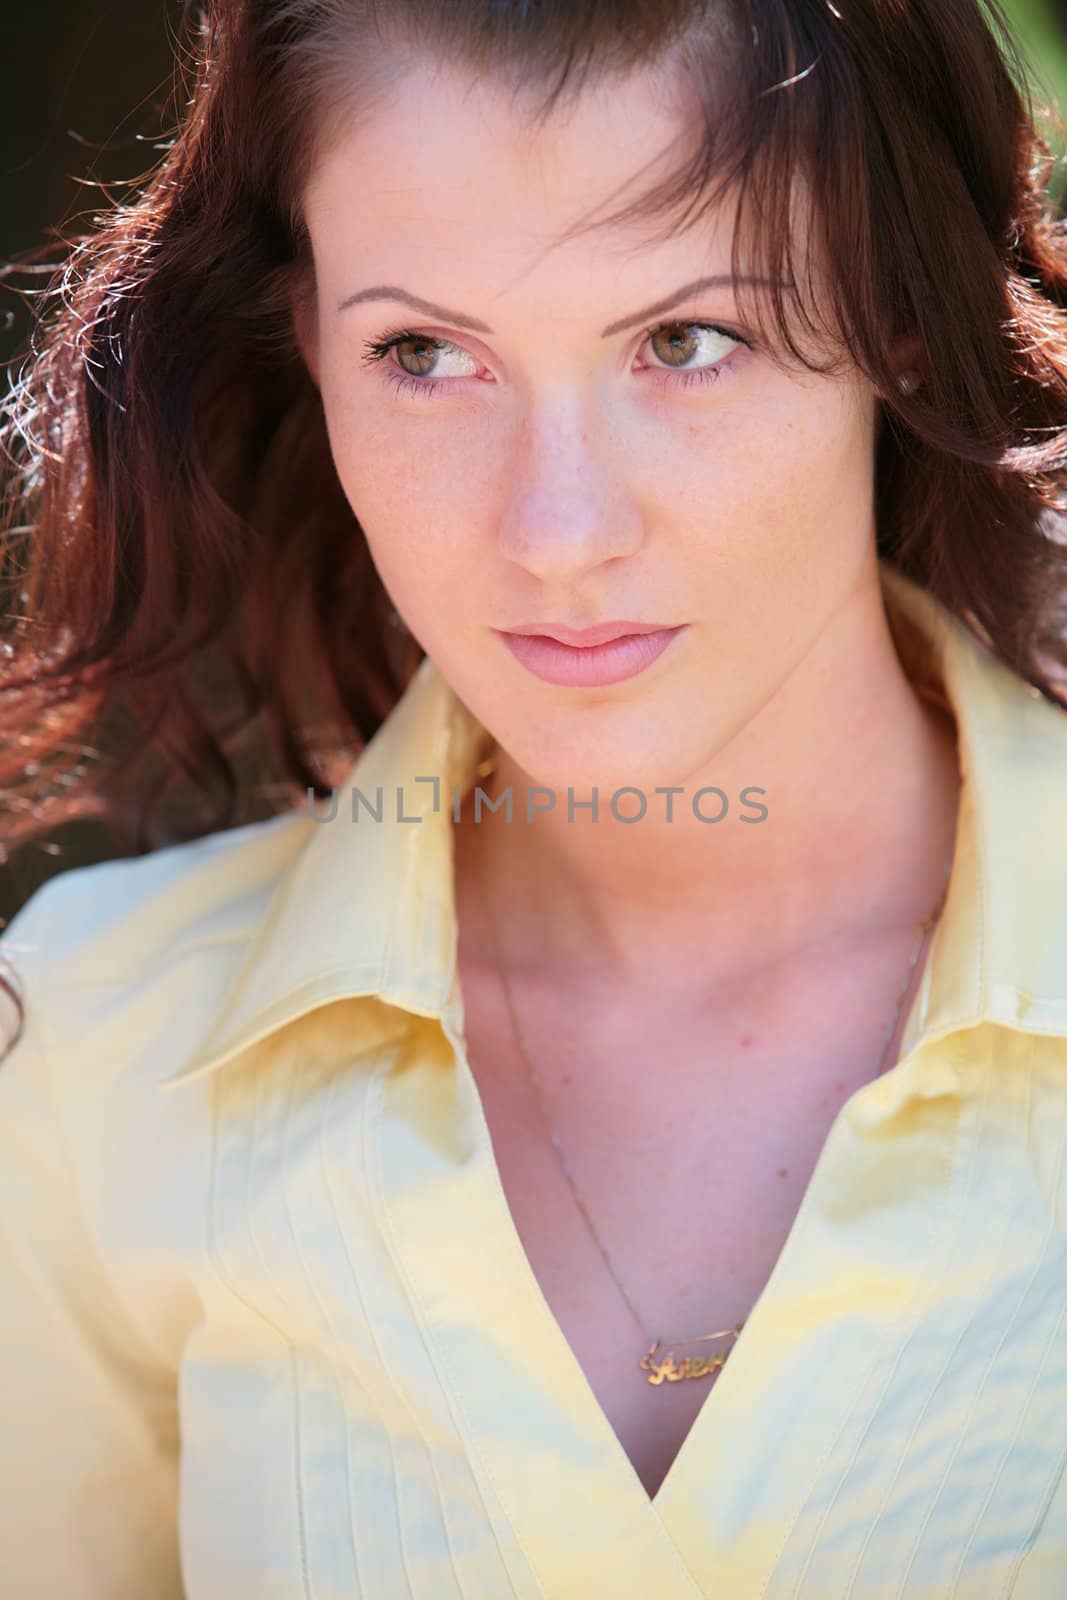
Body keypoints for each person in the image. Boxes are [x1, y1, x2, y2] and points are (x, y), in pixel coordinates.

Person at [2, 0, 1067, 1594]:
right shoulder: (92, 1046)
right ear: (310, 343)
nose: (557, 532)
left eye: (686, 340)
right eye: (423, 354)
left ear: (897, 315)